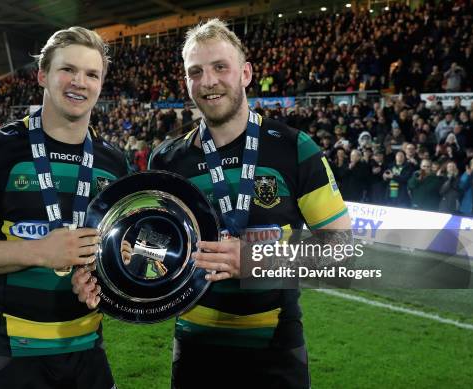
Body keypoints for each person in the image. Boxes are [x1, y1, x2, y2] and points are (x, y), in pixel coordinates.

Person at [80, 18, 350, 388]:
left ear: (246, 73)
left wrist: (256, 262)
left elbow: (344, 254)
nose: (208, 81)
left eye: (220, 67)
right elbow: (156, 253)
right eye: (196, 72)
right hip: (195, 348)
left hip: (275, 345)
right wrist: (127, 258)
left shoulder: (294, 149)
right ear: (187, 82)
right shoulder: (168, 161)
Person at [0, 26, 127, 389]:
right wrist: (40, 251)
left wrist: (104, 277)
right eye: (68, 69)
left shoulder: (115, 164)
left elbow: (117, 252)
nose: (80, 82)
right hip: (10, 356)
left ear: (101, 84)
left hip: (89, 354)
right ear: (42, 75)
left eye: (92, 74)